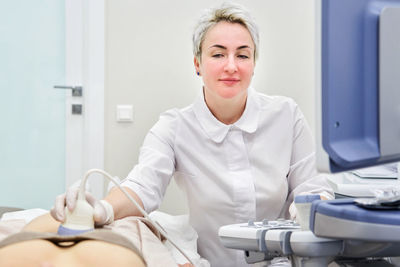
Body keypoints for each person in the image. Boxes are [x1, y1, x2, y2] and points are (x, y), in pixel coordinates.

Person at [51, 2, 333, 266]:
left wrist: (307, 212)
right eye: (218, 54)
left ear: (254, 63)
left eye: (243, 55)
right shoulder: (174, 127)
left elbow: (311, 188)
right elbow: (142, 186)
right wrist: (102, 209)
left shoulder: (286, 115)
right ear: (197, 64)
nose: (231, 66)